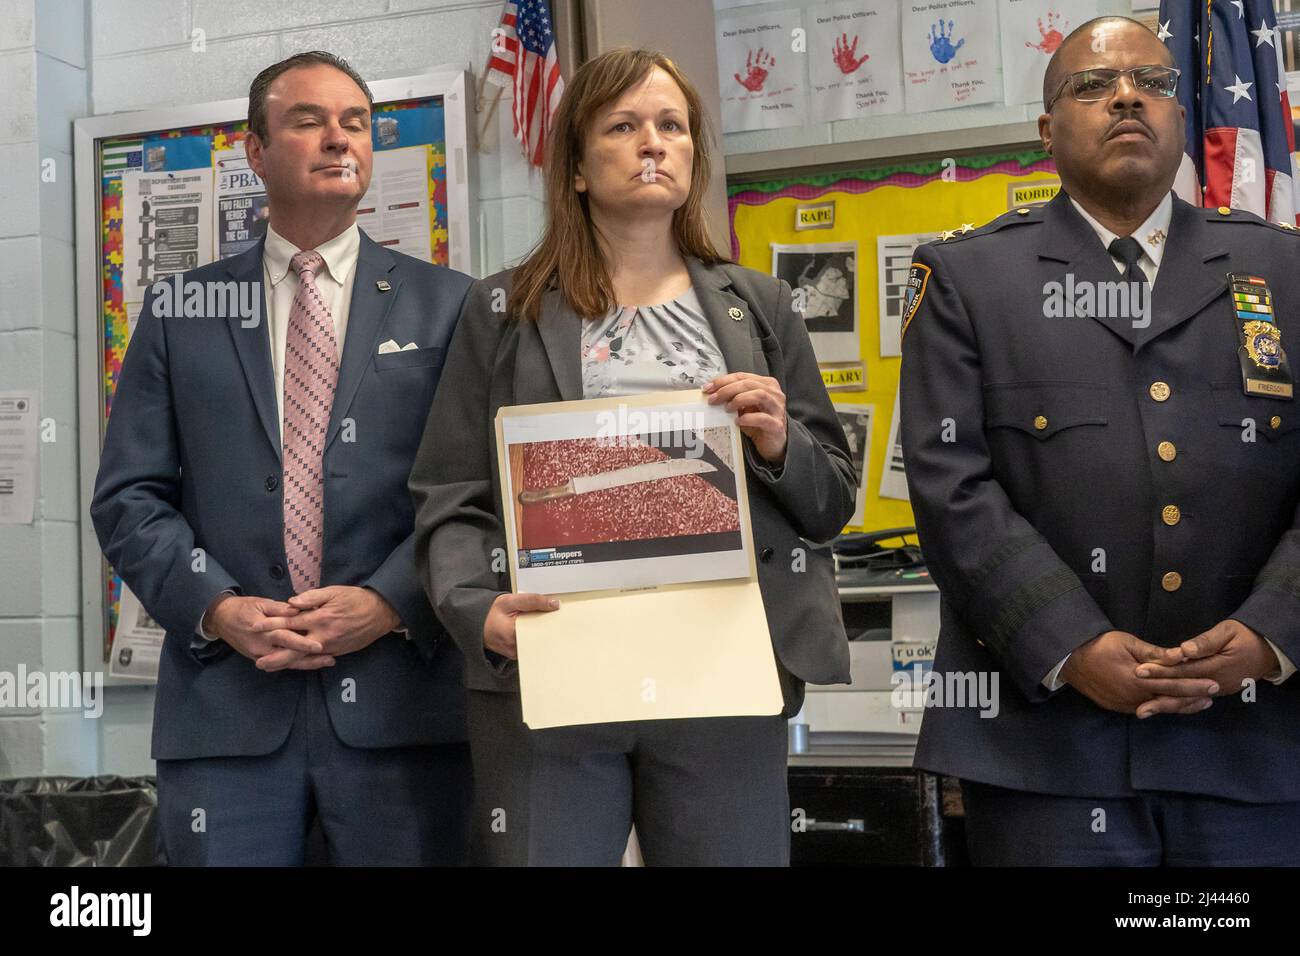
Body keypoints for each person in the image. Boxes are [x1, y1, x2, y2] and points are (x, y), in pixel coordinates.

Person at [410, 48, 856, 866]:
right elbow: (451, 492)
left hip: (724, 671)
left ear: (693, 155)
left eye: (672, 126)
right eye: (623, 126)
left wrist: (779, 443)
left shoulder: (759, 304)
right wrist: (476, 609)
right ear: (576, 167)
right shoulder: (502, 309)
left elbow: (830, 502)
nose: (653, 143)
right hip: (554, 669)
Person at [900, 16, 1300, 865]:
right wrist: (1069, 646)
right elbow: (951, 490)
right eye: (1092, 85)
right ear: (1046, 131)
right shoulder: (969, 281)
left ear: (1181, 121)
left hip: (1258, 745)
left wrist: (1273, 633)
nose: (1127, 96)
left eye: (1154, 84)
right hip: (1048, 750)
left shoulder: (1284, 273)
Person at [91, 51, 473, 865]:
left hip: (401, 714)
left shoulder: (451, 306)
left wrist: (390, 601)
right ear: (256, 153)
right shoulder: (179, 309)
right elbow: (129, 498)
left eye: (356, 122)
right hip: (225, 719)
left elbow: (473, 498)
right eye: (308, 120)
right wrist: (218, 608)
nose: (339, 138)